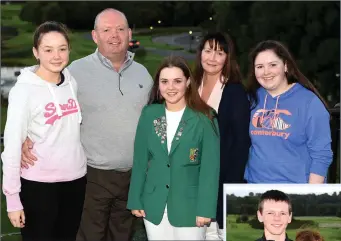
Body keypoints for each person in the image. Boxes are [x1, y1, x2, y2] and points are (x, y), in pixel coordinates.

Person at [20, 9, 153, 241]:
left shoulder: (143, 74)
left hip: (133, 178)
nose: (115, 35)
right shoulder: (74, 73)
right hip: (92, 177)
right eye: (106, 30)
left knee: (122, 236)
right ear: (94, 36)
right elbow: (41, 100)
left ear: (129, 33)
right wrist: (26, 137)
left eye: (121, 29)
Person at [1, 21, 87, 241]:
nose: (56, 56)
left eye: (62, 48)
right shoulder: (23, 91)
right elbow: (11, 145)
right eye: (48, 50)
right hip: (38, 186)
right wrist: (12, 199)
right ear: (35, 52)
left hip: (75, 181)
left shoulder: (71, 82)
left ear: (69, 49)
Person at [127, 56, 220, 240]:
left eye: (177, 81)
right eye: (165, 82)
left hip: (191, 206)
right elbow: (140, 161)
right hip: (154, 203)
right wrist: (135, 199)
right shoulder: (149, 114)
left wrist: (205, 209)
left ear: (187, 83)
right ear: (158, 86)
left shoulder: (205, 118)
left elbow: (210, 168)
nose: (171, 87)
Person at [245, 40, 333, 183]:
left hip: (295, 190)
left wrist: (311, 196)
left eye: (273, 65)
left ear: (285, 65)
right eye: (260, 66)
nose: (266, 72)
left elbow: (321, 155)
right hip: (255, 188)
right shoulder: (251, 99)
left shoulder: (309, 102)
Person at [193, 32, 250, 239]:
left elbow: (241, 143)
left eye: (219, 53)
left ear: (228, 57)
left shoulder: (234, 91)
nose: (212, 58)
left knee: (217, 234)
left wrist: (230, 188)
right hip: (192, 179)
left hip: (222, 180)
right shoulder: (191, 86)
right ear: (200, 54)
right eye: (208, 51)